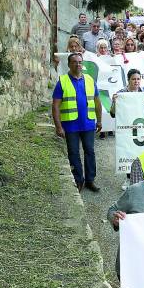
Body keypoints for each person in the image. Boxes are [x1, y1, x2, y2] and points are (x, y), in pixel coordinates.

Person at [51, 53, 101, 192]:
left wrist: (100, 120)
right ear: (69, 64)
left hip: (88, 124)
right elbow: (55, 105)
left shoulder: (90, 80)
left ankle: (90, 180)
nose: (78, 64)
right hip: (70, 125)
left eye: (80, 62)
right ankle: (79, 180)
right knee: (73, 153)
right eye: (74, 62)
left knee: (89, 151)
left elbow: (97, 101)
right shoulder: (62, 81)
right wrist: (58, 126)